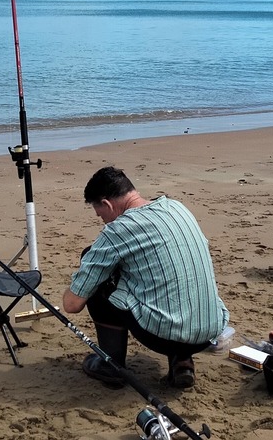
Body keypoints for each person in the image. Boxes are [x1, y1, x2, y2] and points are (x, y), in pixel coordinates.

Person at [62, 166, 229, 389]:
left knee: (96, 275)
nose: (102, 220)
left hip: (165, 336)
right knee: (168, 275)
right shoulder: (176, 207)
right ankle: (182, 360)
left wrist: (83, 276)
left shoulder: (118, 230)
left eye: (100, 213)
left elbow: (72, 305)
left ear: (107, 204)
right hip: (210, 329)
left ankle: (111, 364)